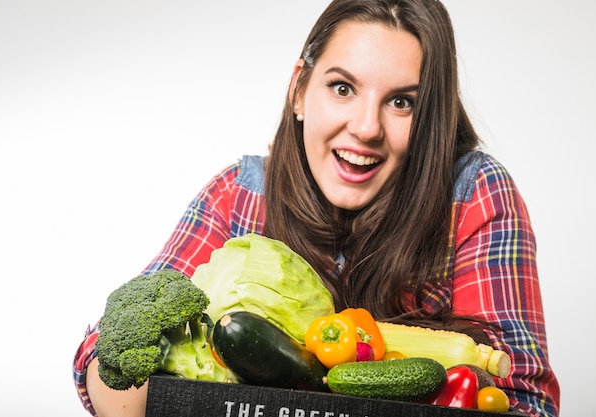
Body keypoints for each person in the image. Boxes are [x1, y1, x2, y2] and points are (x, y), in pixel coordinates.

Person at [73, 0, 560, 416]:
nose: (366, 127)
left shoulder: (472, 196)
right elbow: (111, 352)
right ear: (300, 90)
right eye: (342, 88)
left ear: (430, 118)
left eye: (402, 102)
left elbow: (525, 399)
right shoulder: (238, 196)